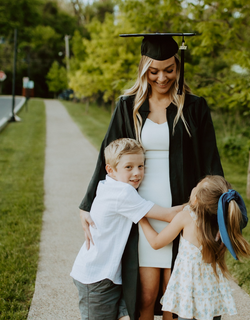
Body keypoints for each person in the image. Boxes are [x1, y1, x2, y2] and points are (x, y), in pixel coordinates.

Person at [79, 33, 224, 320]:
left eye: (169, 69)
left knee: (175, 293)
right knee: (144, 293)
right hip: (141, 207)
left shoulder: (194, 107)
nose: (161, 77)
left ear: (178, 67)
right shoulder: (127, 105)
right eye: (154, 71)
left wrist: (218, 206)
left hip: (182, 208)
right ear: (144, 69)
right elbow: (106, 156)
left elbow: (211, 160)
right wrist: (87, 203)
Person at [71, 138, 182, 320]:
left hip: (110, 275)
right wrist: (196, 204)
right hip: (96, 278)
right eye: (128, 167)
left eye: (141, 166)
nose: (137, 173)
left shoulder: (107, 184)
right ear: (110, 170)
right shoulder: (123, 193)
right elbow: (169, 215)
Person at [139, 175, 250, 320]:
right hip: (211, 294)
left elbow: (156, 242)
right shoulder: (222, 225)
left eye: (196, 186)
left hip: (188, 292)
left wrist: (141, 218)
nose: (193, 187)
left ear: (196, 199)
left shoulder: (185, 217)